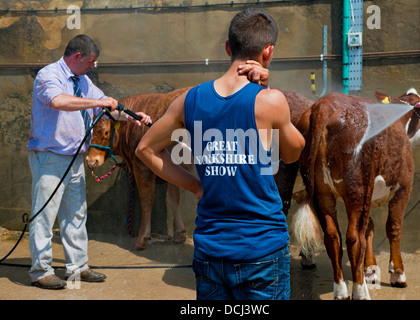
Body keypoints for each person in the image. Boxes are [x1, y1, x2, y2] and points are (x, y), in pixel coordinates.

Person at [136, 8, 304, 300]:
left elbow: (144, 149)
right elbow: (292, 153)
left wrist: (194, 185)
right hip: (261, 251)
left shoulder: (188, 100)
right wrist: (269, 91)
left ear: (228, 48)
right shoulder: (270, 100)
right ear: (268, 52)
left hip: (210, 252)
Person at [27, 34, 151, 290]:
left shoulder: (83, 81)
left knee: (76, 214)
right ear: (77, 57)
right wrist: (99, 102)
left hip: (74, 157)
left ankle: (78, 266)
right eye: (91, 61)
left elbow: (107, 110)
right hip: (50, 156)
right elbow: (59, 101)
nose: (93, 66)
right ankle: (41, 271)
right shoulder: (49, 76)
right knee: (45, 215)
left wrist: (132, 116)